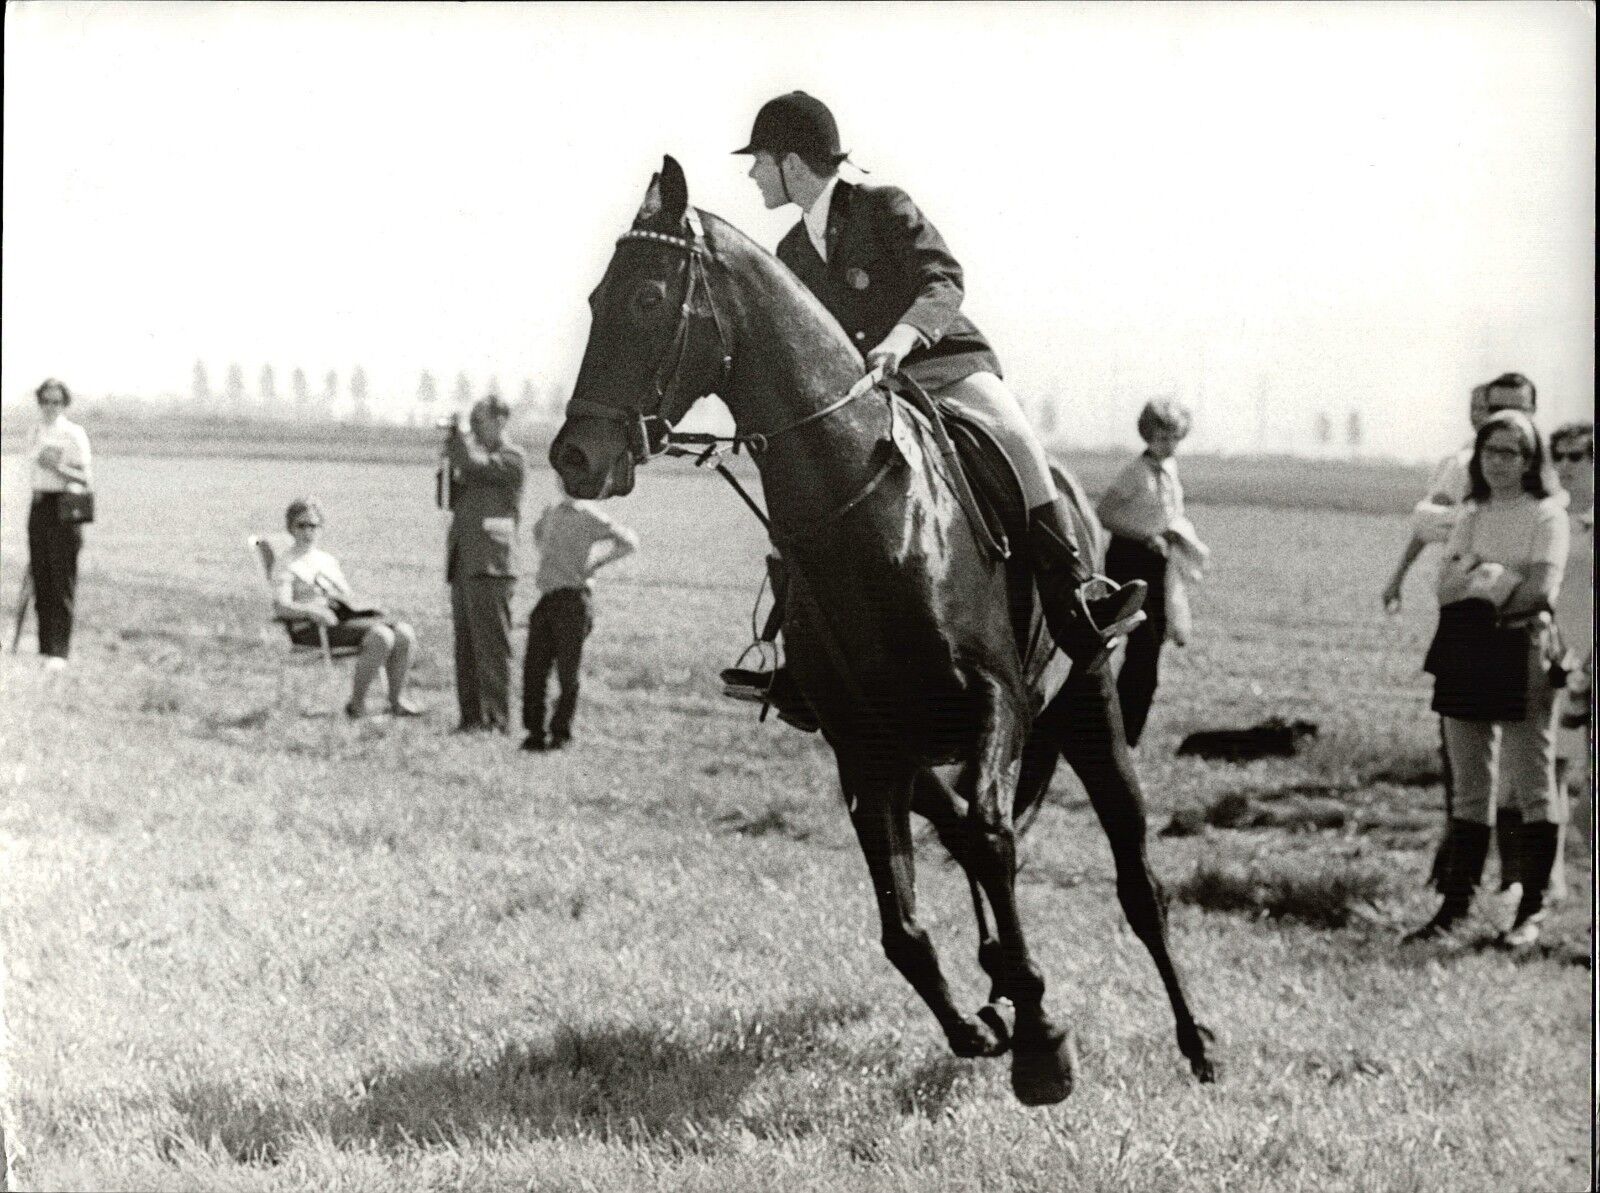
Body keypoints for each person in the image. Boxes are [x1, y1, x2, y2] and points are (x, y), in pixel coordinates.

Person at [723, 91, 1146, 718]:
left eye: (759, 159)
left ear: (791, 161)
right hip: (865, 395)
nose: (752, 173)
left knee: (1018, 439)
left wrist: (900, 339)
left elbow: (943, 277)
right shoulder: (788, 255)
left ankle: (1075, 596)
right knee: (809, 490)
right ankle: (798, 652)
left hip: (942, 364)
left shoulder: (881, 207)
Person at [1408, 410, 1568, 946]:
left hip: (1522, 649)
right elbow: (1445, 588)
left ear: (1531, 460)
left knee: (1531, 783)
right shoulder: (1471, 512)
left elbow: (1541, 591)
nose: (1499, 462)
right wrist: (1498, 580)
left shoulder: (1547, 516)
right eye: (1490, 451)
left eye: (1511, 452)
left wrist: (1480, 579)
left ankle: (1531, 910)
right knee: (1469, 787)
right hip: (1465, 648)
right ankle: (1455, 907)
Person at [1382, 374, 1542, 898]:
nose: (1505, 418)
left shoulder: (1546, 489)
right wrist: (1404, 576)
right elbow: (1441, 551)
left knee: (1525, 777)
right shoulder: (1463, 469)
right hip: (1465, 631)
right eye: (1495, 408)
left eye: (1518, 410)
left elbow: (1542, 579)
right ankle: (1457, 880)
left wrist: (1486, 575)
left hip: (1521, 638)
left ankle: (1518, 886)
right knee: (1464, 765)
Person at [1097, 399, 1207, 747]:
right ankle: (1113, 730)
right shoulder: (1135, 472)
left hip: (1160, 561)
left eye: (1174, 437)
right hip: (1130, 559)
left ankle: (1128, 734)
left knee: (1149, 650)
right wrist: (1145, 536)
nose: (1169, 444)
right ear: (1148, 435)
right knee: (1124, 644)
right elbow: (1105, 514)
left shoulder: (1170, 471)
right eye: (1162, 437)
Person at [272, 498, 422, 718]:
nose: (307, 531)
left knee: (405, 633)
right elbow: (281, 607)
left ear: (320, 528)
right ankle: (356, 704)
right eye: (300, 525)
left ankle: (395, 700)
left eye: (313, 525)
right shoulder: (286, 563)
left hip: (341, 619)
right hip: (311, 627)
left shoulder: (326, 560)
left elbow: (347, 596)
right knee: (381, 636)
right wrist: (312, 610)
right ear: (290, 528)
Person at [521, 475, 638, 752]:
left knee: (567, 673)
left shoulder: (588, 515)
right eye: (562, 478)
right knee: (534, 670)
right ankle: (534, 733)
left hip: (573, 600)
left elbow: (629, 542)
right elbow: (537, 536)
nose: (565, 483)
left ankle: (560, 733)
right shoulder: (550, 513)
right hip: (547, 599)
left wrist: (596, 564)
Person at [443, 394, 526, 733]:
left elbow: (476, 466)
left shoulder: (512, 459)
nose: (474, 428)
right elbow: (448, 499)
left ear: (500, 420)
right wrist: (449, 462)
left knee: (491, 645)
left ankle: (496, 719)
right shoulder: (473, 460)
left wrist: (457, 441)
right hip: (464, 561)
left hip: (492, 565)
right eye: (472, 422)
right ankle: (471, 717)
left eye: (479, 420)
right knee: (466, 645)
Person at [27, 378, 93, 670]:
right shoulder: (35, 432)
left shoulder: (73, 434)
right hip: (40, 504)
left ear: (64, 403)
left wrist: (57, 468)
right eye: (45, 401)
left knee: (61, 578)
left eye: (56, 401)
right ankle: (44, 648)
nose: (50, 407)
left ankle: (59, 651)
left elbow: (85, 479)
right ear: (39, 402)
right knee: (40, 576)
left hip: (66, 506)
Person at [1550, 421, 1594, 853]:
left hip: (1592, 651)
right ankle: (1551, 878)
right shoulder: (1550, 514)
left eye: (1576, 456)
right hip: (1556, 651)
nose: (1564, 465)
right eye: (1557, 456)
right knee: (1551, 767)